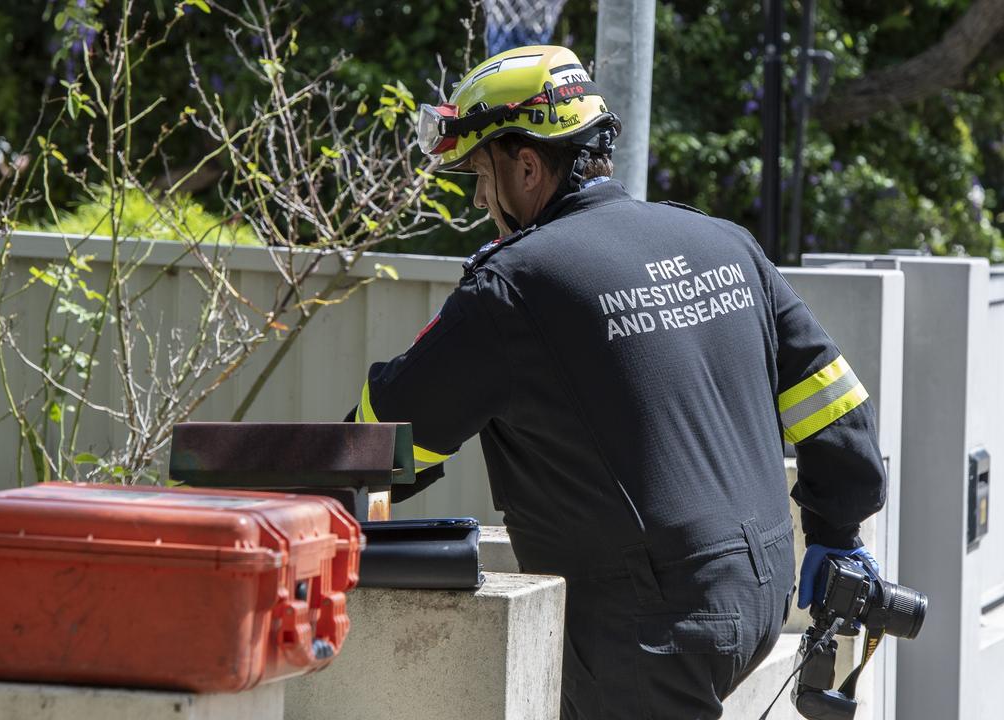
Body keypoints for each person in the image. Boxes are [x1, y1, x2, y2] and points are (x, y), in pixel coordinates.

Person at [349, 45, 886, 719]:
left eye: (481, 175)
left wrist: (306, 493)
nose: (483, 199)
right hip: (761, 590)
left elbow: (393, 435)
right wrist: (837, 529)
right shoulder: (724, 243)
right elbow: (837, 410)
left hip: (648, 629)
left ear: (525, 164)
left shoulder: (516, 285)